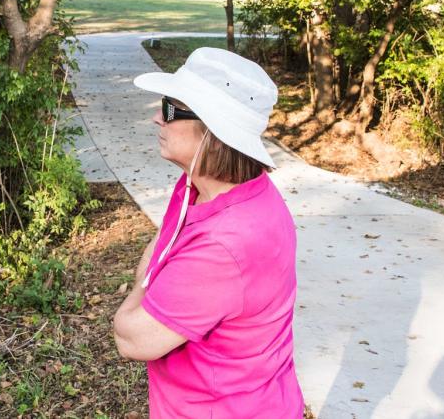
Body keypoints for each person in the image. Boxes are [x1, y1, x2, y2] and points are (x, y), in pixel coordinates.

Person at [111, 47, 303, 417]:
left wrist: (145, 286)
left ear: (211, 132)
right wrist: (156, 279)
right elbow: (159, 261)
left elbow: (131, 336)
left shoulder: (226, 243)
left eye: (169, 108)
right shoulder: (199, 188)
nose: (156, 118)